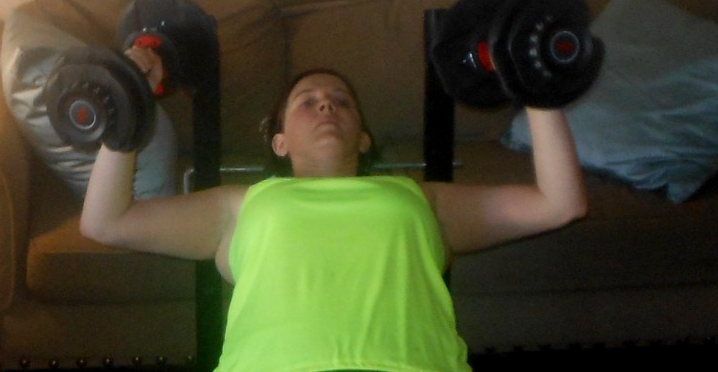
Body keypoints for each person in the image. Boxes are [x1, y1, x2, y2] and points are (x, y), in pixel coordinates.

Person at [81, 46, 588, 372]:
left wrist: (537, 91)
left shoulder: (418, 197)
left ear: (363, 138)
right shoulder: (241, 204)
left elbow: (559, 203)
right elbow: (106, 221)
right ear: (279, 142)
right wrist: (129, 100)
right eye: (307, 101)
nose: (326, 104)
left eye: (342, 100)